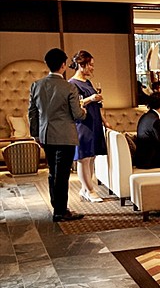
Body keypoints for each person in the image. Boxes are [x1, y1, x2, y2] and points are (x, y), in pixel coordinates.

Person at [29, 48, 86, 222]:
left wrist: (35, 134)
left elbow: (32, 113)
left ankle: (57, 207)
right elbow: (77, 114)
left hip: (45, 135)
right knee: (62, 175)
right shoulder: (69, 87)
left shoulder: (36, 85)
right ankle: (60, 211)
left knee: (53, 172)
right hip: (65, 136)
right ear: (63, 65)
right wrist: (84, 110)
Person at [68, 50, 107, 203]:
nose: (92, 68)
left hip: (94, 122)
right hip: (83, 124)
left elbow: (96, 104)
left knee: (91, 157)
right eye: (90, 65)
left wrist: (104, 121)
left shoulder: (87, 82)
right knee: (83, 157)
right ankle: (90, 190)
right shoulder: (72, 84)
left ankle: (85, 189)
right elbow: (75, 105)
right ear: (81, 65)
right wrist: (91, 98)